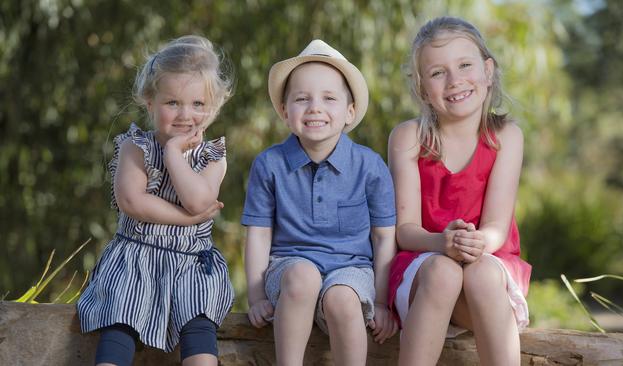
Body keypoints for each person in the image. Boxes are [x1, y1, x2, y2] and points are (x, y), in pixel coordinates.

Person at [77, 35, 235, 366]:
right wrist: (188, 221)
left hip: (191, 265)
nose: (184, 115)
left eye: (197, 104)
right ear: (150, 102)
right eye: (172, 103)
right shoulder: (137, 147)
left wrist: (175, 154)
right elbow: (132, 201)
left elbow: (198, 200)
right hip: (136, 260)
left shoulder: (213, 156)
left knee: (198, 319)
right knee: (120, 317)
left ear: (213, 107)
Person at [242, 39, 398, 366]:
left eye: (329, 98)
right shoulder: (269, 164)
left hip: (352, 270)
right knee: (303, 276)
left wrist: (383, 303)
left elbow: (384, 238)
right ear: (285, 111)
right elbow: (258, 234)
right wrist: (256, 297)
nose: (315, 107)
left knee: (342, 299)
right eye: (302, 99)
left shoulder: (370, 166)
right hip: (289, 269)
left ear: (349, 112)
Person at [387, 17, 532, 366]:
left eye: (465, 65)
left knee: (480, 273)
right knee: (444, 272)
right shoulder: (408, 138)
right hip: (426, 271)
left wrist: (478, 243)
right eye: (437, 73)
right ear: (422, 89)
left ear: (488, 70)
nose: (455, 81)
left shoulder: (506, 137)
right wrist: (442, 244)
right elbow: (405, 231)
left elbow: (497, 225)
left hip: (488, 268)